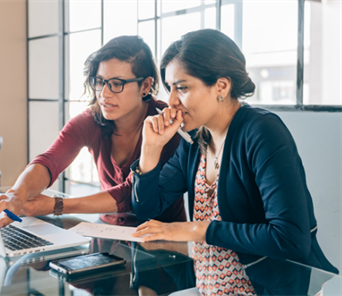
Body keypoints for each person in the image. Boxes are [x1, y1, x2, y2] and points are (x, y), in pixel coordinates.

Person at [130, 29, 338, 295]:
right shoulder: (195, 140)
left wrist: (197, 229)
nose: (171, 101)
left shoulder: (262, 132)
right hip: (209, 289)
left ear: (221, 86)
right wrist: (150, 150)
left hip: (264, 290)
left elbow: (290, 239)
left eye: (182, 88)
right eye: (170, 88)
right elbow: (147, 208)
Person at [0, 35, 186, 228]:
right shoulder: (92, 119)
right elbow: (50, 161)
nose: (104, 94)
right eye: (100, 81)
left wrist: (56, 205)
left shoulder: (167, 125)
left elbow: (130, 195)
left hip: (162, 242)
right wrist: (17, 194)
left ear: (145, 86)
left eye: (117, 84)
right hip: (106, 231)